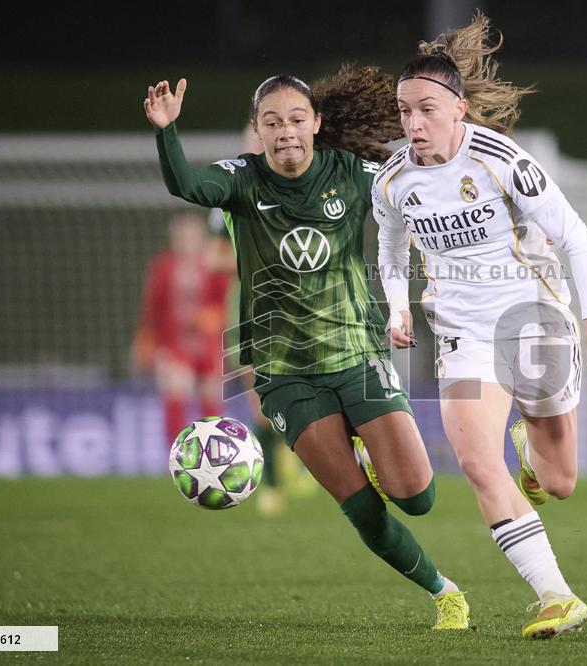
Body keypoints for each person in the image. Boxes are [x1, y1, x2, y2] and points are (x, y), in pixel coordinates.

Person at [143, 65, 470, 629]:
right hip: (283, 372)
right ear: (258, 129)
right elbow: (187, 186)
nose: (286, 131)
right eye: (273, 122)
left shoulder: (354, 172)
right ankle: (445, 593)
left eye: (297, 119)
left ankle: (371, 449)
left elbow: (417, 193)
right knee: (359, 505)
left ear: (317, 123)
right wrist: (166, 130)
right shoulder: (240, 180)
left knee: (418, 497)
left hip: (357, 355)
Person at [374, 13, 587, 639]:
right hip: (463, 333)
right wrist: (397, 303)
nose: (414, 123)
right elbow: (389, 249)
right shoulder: (393, 180)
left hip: (534, 318)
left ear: (459, 109)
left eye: (428, 109)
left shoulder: (499, 158)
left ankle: (532, 443)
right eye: (404, 110)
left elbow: (574, 236)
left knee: (560, 481)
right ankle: (556, 596)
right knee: (473, 460)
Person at [133, 212, 229, 446]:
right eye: (182, 236)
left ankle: (214, 453)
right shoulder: (163, 266)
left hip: (208, 344)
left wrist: (212, 318)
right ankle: (176, 453)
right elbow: (152, 308)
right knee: (176, 389)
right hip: (174, 344)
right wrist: (146, 340)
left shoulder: (213, 263)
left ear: (201, 237)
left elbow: (226, 302)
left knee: (211, 396)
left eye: (191, 235)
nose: (186, 240)